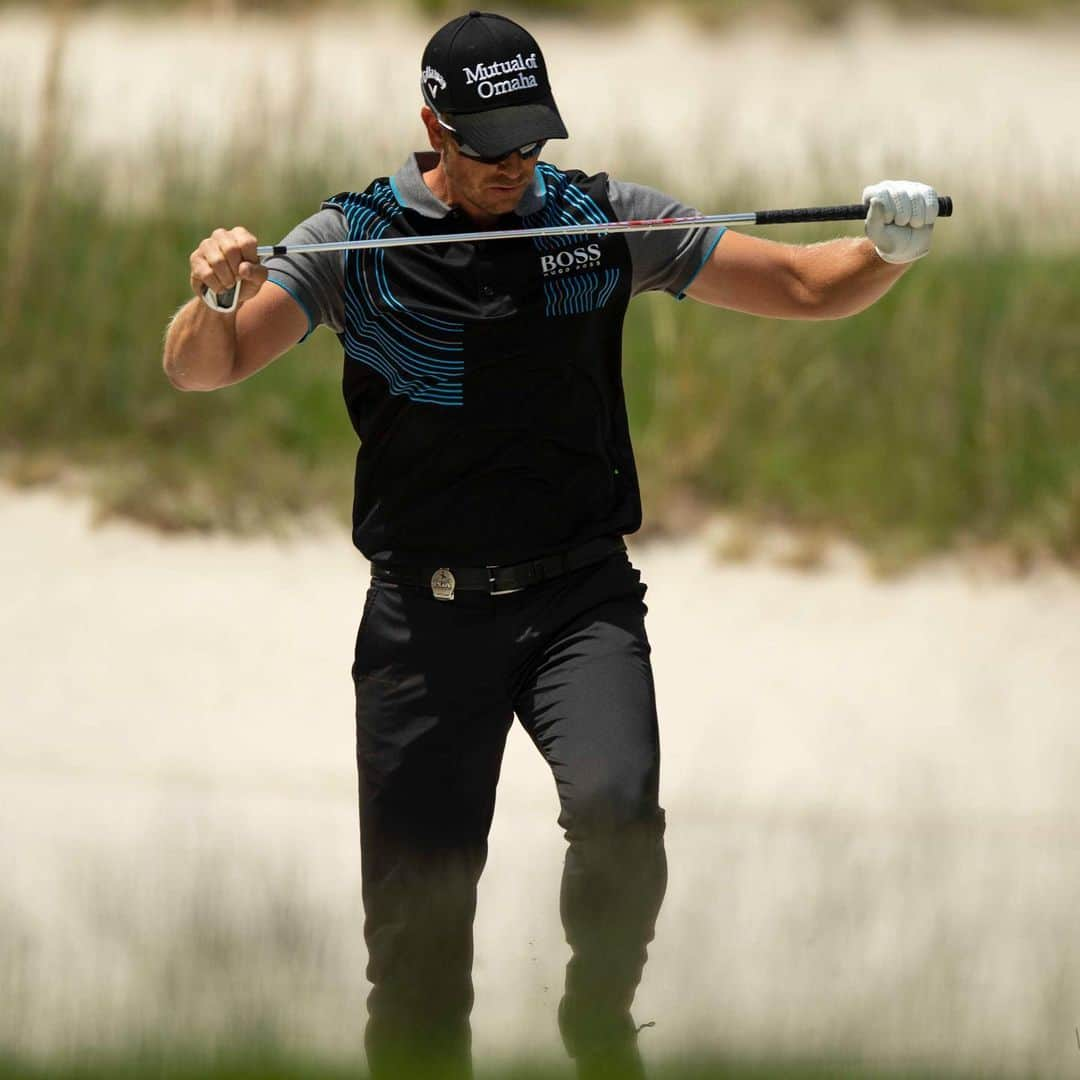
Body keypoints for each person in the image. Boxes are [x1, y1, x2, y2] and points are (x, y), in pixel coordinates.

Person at [161, 11, 938, 1078]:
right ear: (432, 126)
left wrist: (888, 249)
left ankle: (598, 1016)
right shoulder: (352, 244)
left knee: (620, 815)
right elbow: (206, 366)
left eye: (534, 139)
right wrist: (213, 292)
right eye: (490, 146)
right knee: (417, 969)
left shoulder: (602, 221)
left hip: (580, 601)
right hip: (422, 627)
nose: (517, 166)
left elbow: (807, 286)